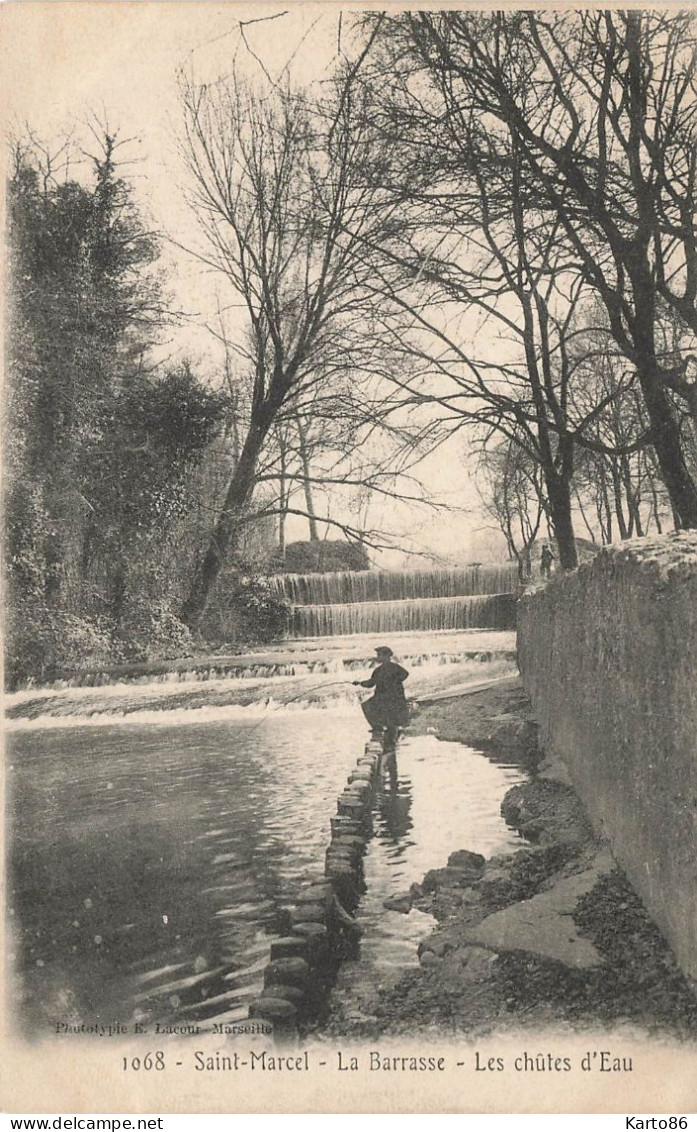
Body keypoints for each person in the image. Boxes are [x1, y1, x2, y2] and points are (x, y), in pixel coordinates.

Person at [353, 646, 410, 748]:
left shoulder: (379, 670)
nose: (378, 657)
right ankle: (390, 730)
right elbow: (405, 674)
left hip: (383, 699)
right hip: (396, 698)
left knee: (366, 706)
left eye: (379, 655)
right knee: (391, 719)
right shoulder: (395, 667)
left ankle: (378, 727)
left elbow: (371, 683)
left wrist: (360, 683)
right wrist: (396, 682)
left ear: (386, 656)